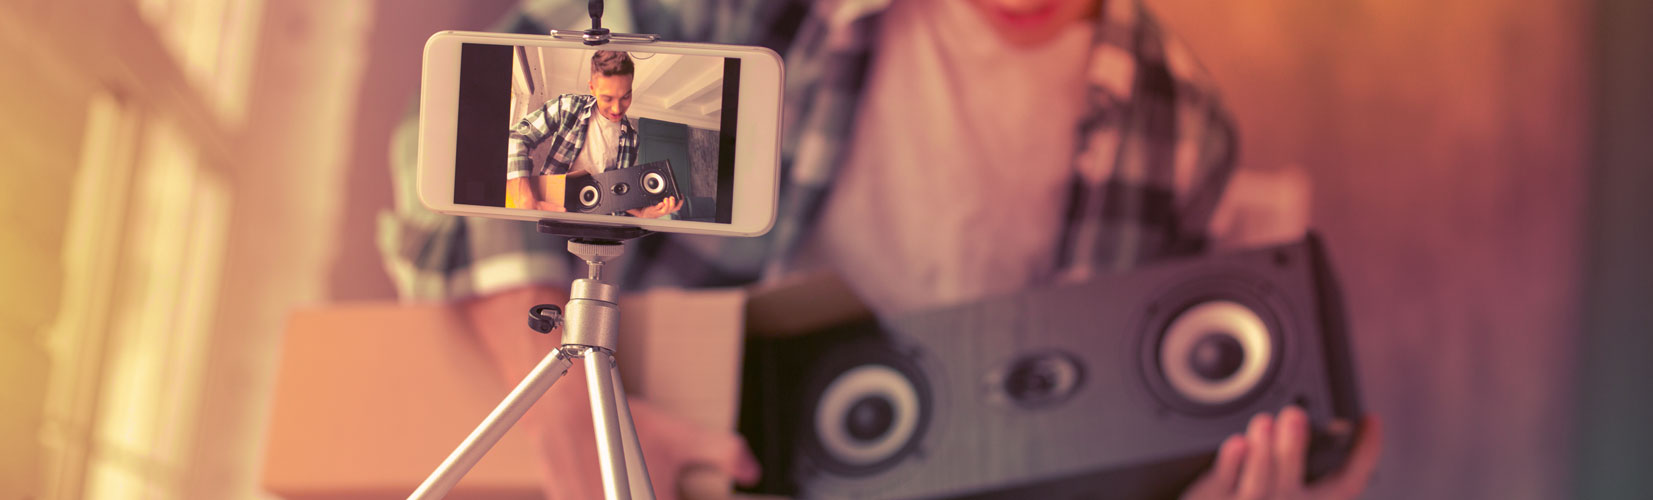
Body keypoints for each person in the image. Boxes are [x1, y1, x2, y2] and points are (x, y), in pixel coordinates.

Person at [379, 0, 1382, 499]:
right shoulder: (763, 11)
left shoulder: (1179, 125)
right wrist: (560, 395)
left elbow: (1085, 430)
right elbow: (467, 123)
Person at [506, 49, 682, 218]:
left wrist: (643, 214)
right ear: (592, 88)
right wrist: (525, 200)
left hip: (600, 222)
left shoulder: (632, 139)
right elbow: (515, 137)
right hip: (554, 212)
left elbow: (619, 193)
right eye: (608, 98)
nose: (617, 108)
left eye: (626, 97)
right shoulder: (568, 107)